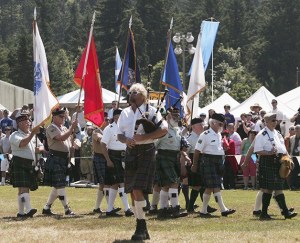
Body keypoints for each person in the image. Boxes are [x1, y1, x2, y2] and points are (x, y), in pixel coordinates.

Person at [117, 83, 168, 241]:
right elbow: (119, 135)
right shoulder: (124, 113)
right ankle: (142, 226)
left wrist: (143, 137)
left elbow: (164, 130)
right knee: (133, 191)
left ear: (143, 95)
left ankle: (140, 226)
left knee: (138, 188)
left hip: (146, 150)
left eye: (135, 92)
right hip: (131, 151)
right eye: (131, 92)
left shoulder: (151, 111)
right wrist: (126, 140)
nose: (132, 94)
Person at [253, 113, 297, 220]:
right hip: (268, 160)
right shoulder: (261, 134)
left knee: (278, 188)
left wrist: (288, 157)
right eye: (272, 121)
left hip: (278, 160)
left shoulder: (277, 133)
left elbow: (282, 147)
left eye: (275, 120)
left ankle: (285, 212)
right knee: (268, 189)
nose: (275, 122)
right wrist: (268, 152)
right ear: (266, 122)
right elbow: (257, 150)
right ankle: (264, 213)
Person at [192, 113, 236, 217]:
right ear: (213, 123)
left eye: (223, 124)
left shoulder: (219, 135)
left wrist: (223, 149)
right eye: (220, 124)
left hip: (218, 161)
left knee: (211, 187)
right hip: (208, 160)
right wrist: (194, 165)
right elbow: (197, 150)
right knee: (214, 186)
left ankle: (204, 211)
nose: (222, 126)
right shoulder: (205, 134)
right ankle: (223, 209)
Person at [42, 108, 78, 216]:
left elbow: (68, 140)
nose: (63, 118)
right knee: (60, 184)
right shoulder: (51, 128)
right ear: (54, 117)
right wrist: (71, 128)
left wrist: (73, 143)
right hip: (55, 157)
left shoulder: (64, 127)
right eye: (61, 117)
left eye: (64, 116)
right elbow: (61, 138)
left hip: (63, 158)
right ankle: (67, 209)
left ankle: (47, 207)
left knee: (57, 185)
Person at [156, 107, 190, 218]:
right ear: (167, 117)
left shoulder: (177, 130)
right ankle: (176, 208)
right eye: (173, 116)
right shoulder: (162, 130)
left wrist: (185, 155)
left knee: (166, 185)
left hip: (174, 157)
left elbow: (180, 146)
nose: (176, 118)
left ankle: (163, 209)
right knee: (174, 182)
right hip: (164, 156)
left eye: (177, 116)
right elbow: (154, 145)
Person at [9, 113, 43, 218]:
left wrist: (38, 149)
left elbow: (42, 147)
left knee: (23, 189)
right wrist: (32, 133)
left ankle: (20, 212)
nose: (28, 123)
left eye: (28, 121)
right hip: (19, 162)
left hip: (30, 164)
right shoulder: (14, 135)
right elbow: (22, 143)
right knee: (24, 187)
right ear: (19, 124)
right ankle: (28, 210)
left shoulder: (31, 134)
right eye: (24, 121)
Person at [101, 109, 133, 217]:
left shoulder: (126, 128)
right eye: (119, 116)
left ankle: (110, 209)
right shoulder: (109, 129)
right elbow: (103, 145)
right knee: (119, 182)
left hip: (125, 155)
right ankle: (127, 209)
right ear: (114, 117)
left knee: (116, 183)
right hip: (114, 156)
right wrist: (108, 160)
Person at [187, 118, 217, 214]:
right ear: (193, 127)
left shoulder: (203, 136)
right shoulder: (190, 138)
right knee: (197, 185)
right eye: (200, 124)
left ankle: (204, 206)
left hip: (203, 161)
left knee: (203, 185)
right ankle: (190, 206)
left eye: (202, 124)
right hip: (195, 161)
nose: (202, 126)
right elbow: (186, 152)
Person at [92, 113, 112, 214]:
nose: (108, 121)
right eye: (106, 120)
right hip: (99, 157)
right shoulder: (96, 131)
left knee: (103, 183)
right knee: (104, 182)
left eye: (108, 120)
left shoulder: (108, 131)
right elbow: (101, 139)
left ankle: (97, 207)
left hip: (106, 157)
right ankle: (110, 207)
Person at [288, 125, 300, 190]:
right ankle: (293, 186)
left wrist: (297, 149)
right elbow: (291, 148)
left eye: (298, 129)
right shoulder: (291, 138)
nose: (297, 130)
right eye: (296, 129)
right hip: (293, 157)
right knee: (294, 172)